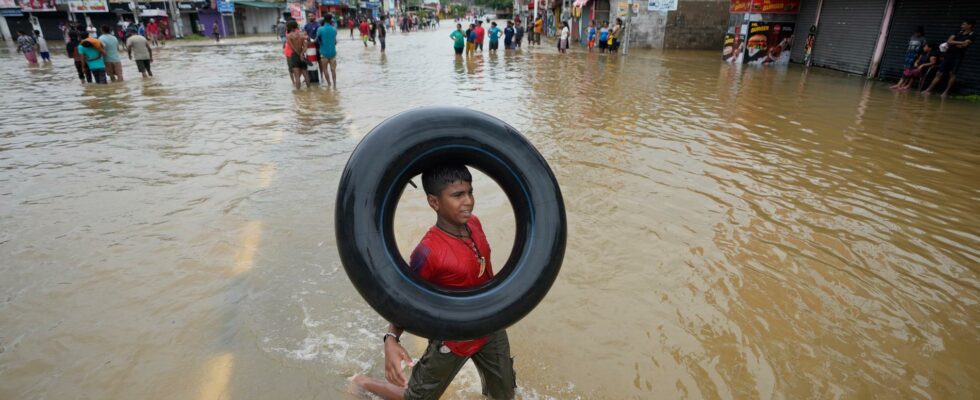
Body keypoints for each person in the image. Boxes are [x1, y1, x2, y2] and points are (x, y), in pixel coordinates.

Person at [350, 163, 516, 400]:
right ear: (434, 202)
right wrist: (391, 338)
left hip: (489, 327)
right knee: (416, 398)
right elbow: (404, 298)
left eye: (470, 192)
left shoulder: (474, 223)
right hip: (452, 338)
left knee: (505, 396)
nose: (468, 201)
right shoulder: (428, 252)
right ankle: (362, 382)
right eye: (458, 195)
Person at [923, 18, 974, 97]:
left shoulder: (972, 35)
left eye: (964, 24)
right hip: (948, 55)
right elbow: (949, 41)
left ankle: (945, 92)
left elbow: (964, 45)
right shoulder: (958, 31)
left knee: (952, 74)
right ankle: (928, 90)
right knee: (939, 73)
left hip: (957, 57)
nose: (962, 25)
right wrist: (960, 42)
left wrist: (954, 43)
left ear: (969, 25)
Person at [285, 20, 309, 89]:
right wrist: (302, 54)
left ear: (291, 27)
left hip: (295, 56)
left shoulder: (289, 36)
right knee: (306, 75)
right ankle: (309, 90)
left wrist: (298, 55)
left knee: (297, 77)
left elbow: (292, 48)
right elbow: (305, 46)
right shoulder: (302, 34)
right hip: (302, 56)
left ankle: (298, 94)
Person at [316, 14, 338, 87]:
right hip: (333, 52)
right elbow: (335, 42)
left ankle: (329, 84)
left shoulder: (320, 29)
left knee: (325, 69)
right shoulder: (334, 29)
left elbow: (317, 40)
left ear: (324, 20)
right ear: (331, 20)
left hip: (323, 53)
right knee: (333, 70)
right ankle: (334, 84)